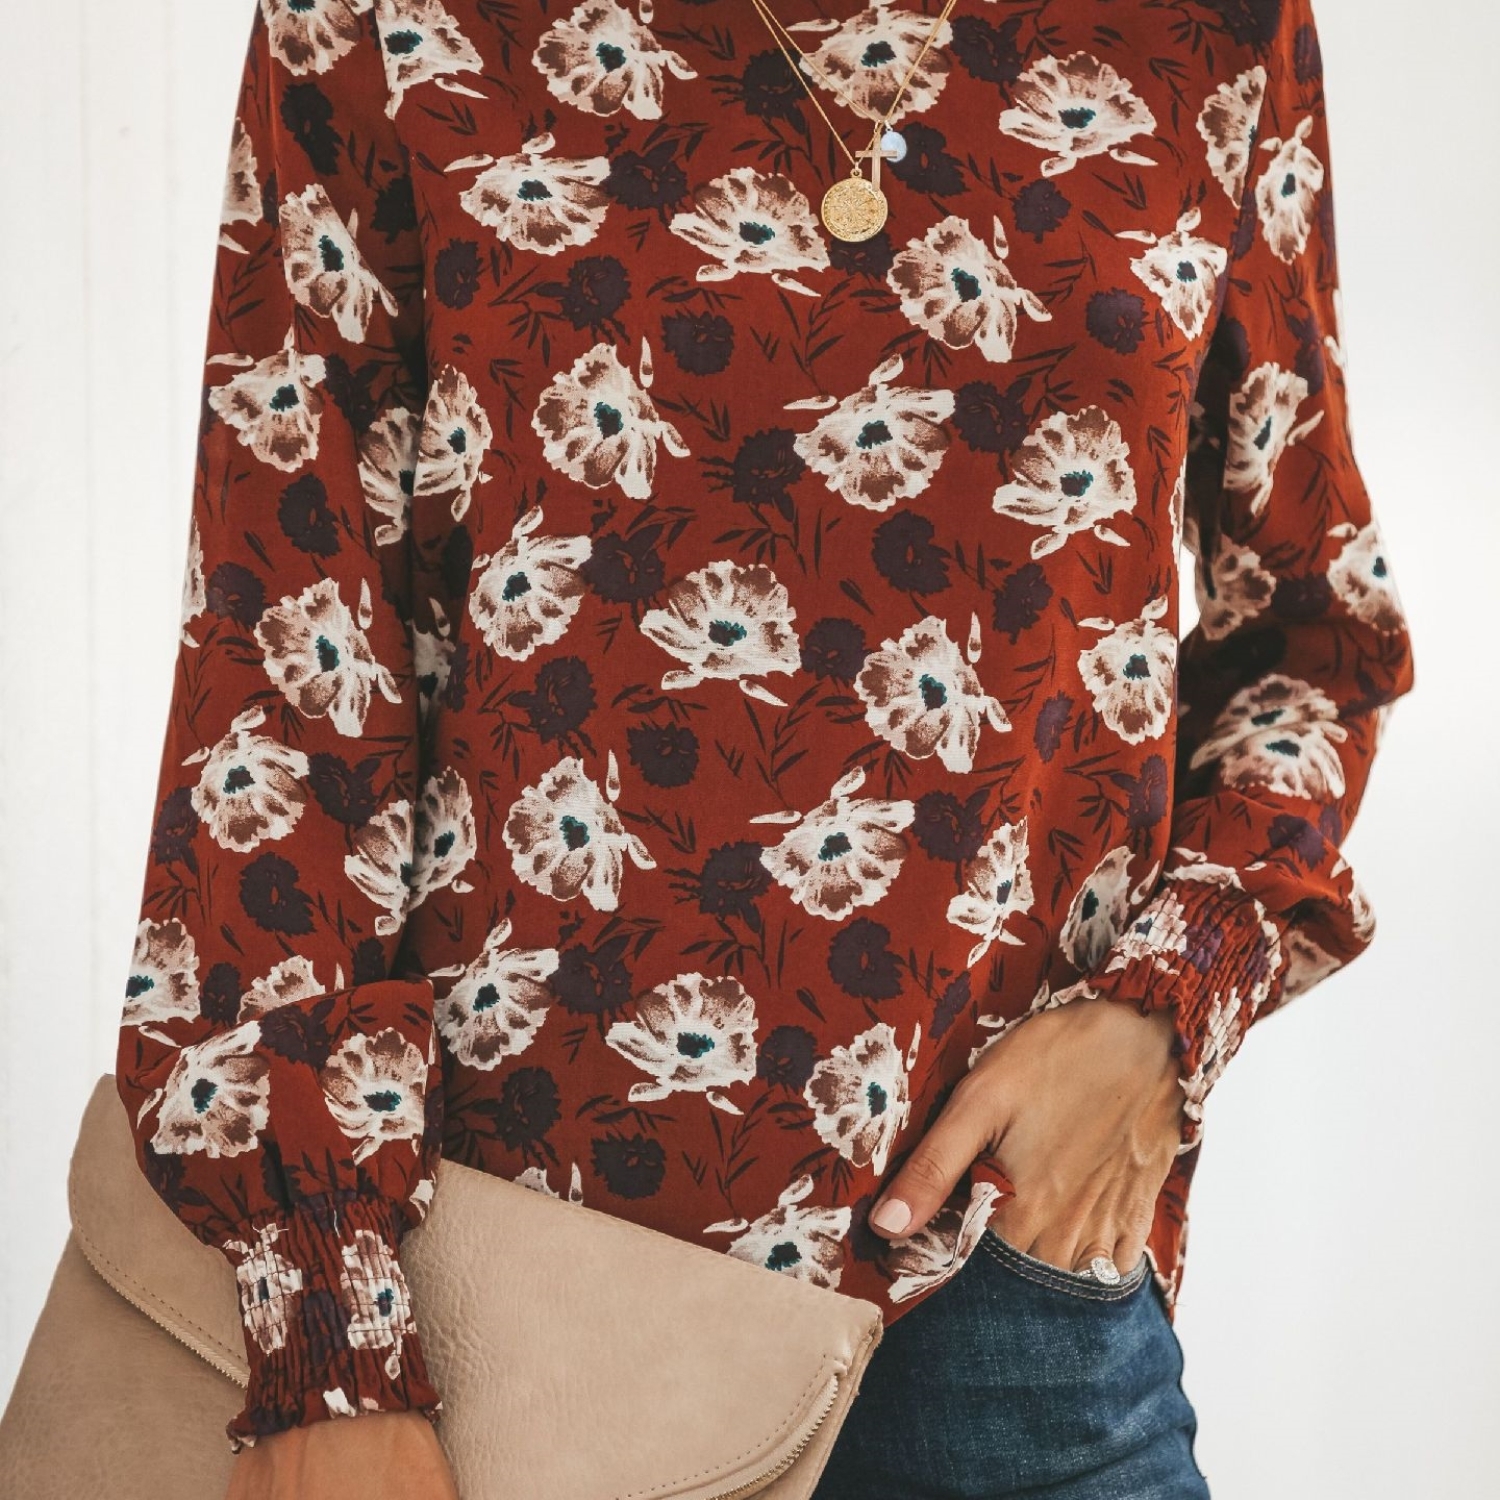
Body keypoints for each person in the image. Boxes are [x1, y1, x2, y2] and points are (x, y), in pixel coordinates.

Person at [113, 1, 1415, 1496]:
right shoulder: (391, 24)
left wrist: (1164, 1014)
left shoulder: (1214, 29)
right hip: (504, 1309)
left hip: (1000, 1288)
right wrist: (329, 1332)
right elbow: (285, 674)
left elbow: (1313, 644)